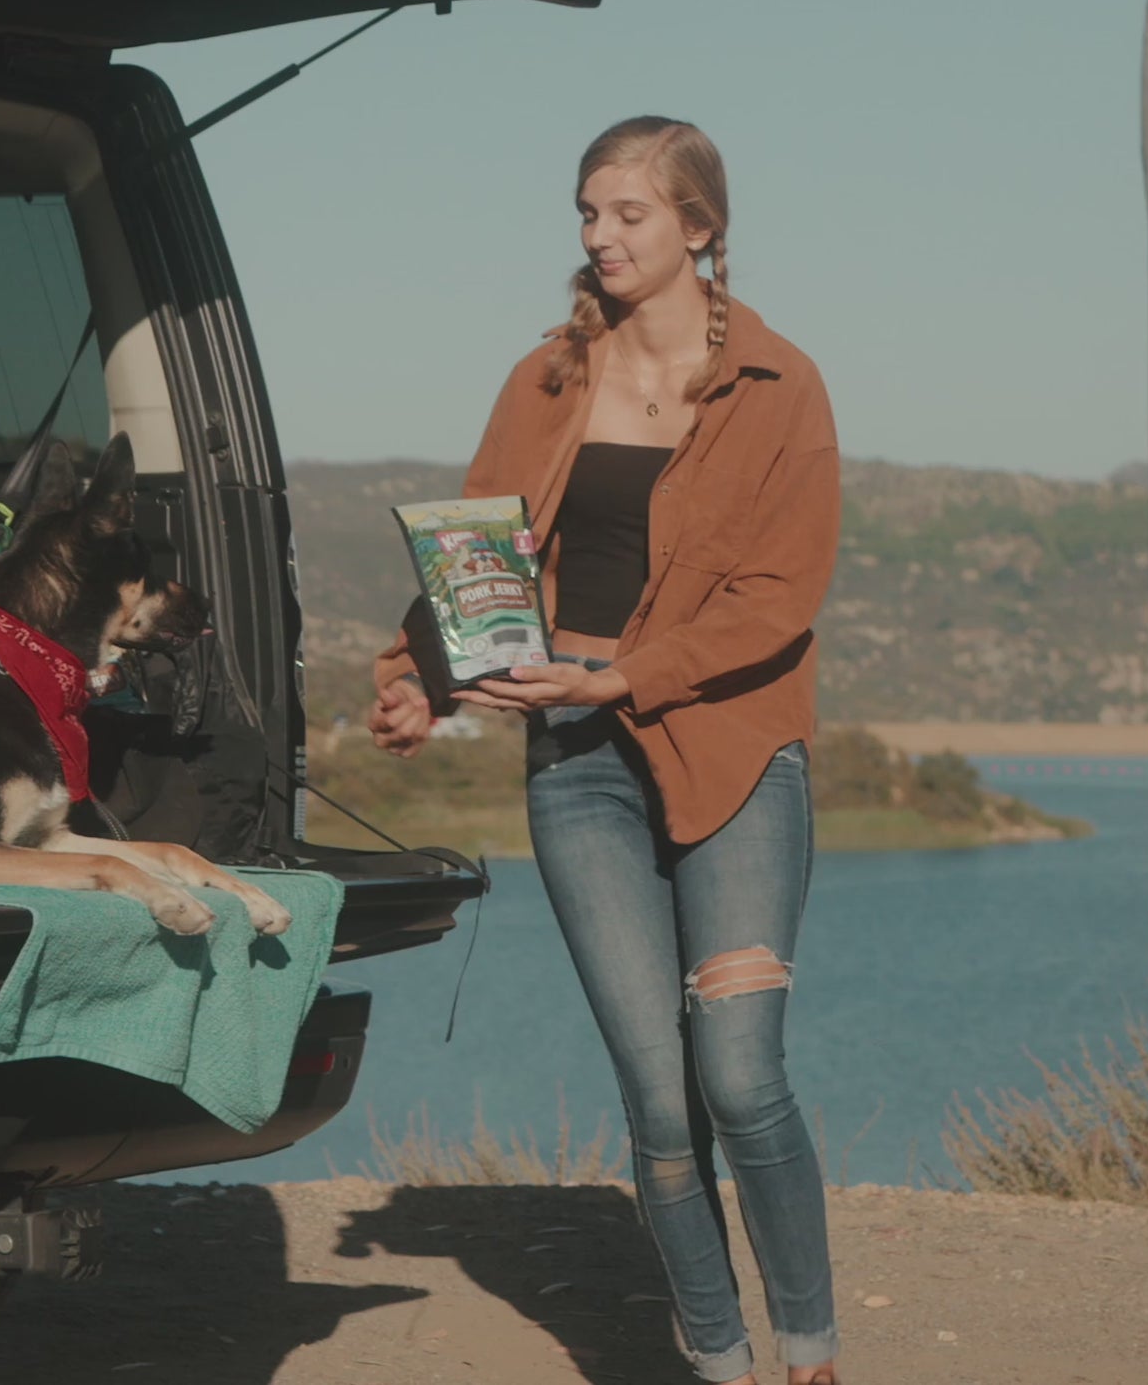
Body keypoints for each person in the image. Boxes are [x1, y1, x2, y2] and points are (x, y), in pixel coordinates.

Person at [368, 117, 842, 1385]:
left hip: (732, 751)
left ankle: (809, 1351)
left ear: (698, 226)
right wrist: (417, 676)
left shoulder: (779, 388)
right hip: (574, 757)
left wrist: (627, 670)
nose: (599, 236)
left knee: (740, 1078)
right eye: (587, 212)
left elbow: (778, 597)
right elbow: (474, 543)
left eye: (628, 212)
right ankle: (718, 1357)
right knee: (658, 1101)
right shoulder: (546, 378)